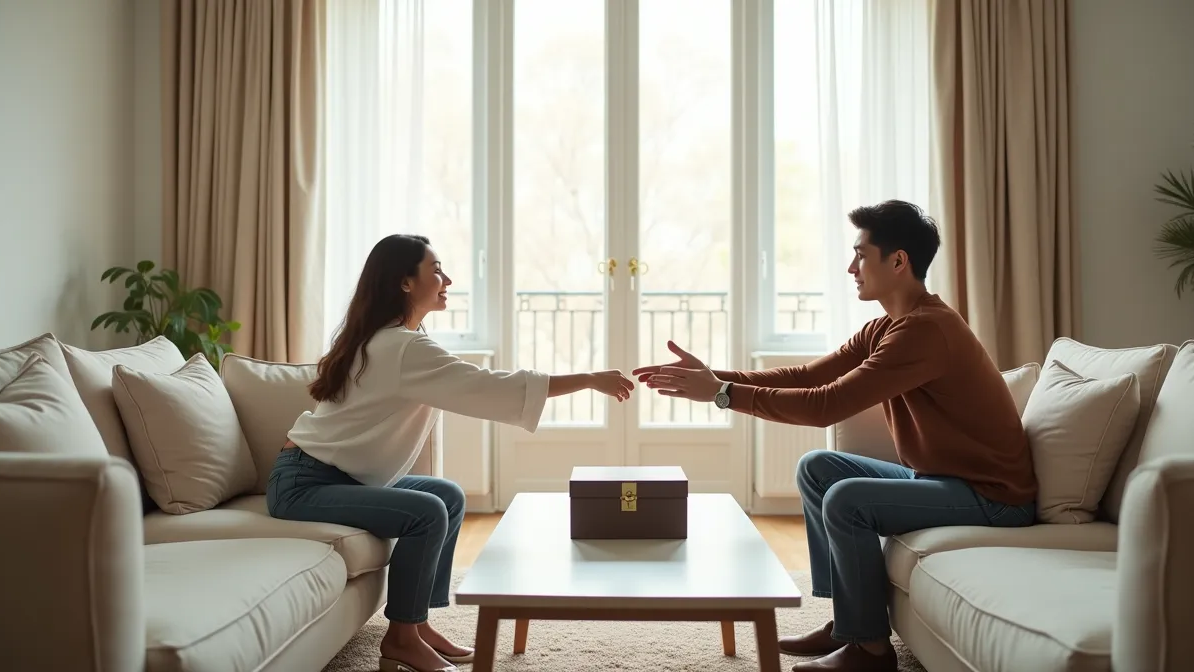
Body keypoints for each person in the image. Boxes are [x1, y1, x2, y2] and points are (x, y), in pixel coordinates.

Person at [633, 200, 1037, 672]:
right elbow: (807, 376)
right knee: (818, 469)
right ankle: (848, 622)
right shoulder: (889, 326)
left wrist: (722, 394)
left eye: (861, 255)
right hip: (941, 480)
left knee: (846, 499)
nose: (852, 267)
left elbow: (826, 405)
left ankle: (870, 651)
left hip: (993, 498)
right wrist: (713, 377)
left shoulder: (927, 331)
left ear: (899, 261)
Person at [267, 234, 635, 672]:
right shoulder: (401, 347)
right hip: (304, 484)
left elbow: (481, 386)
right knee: (427, 512)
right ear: (405, 283)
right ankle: (401, 639)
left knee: (447, 496)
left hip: (336, 476)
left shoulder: (398, 340)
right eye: (436, 269)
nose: (448, 279)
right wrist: (589, 378)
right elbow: (490, 387)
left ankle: (416, 624)